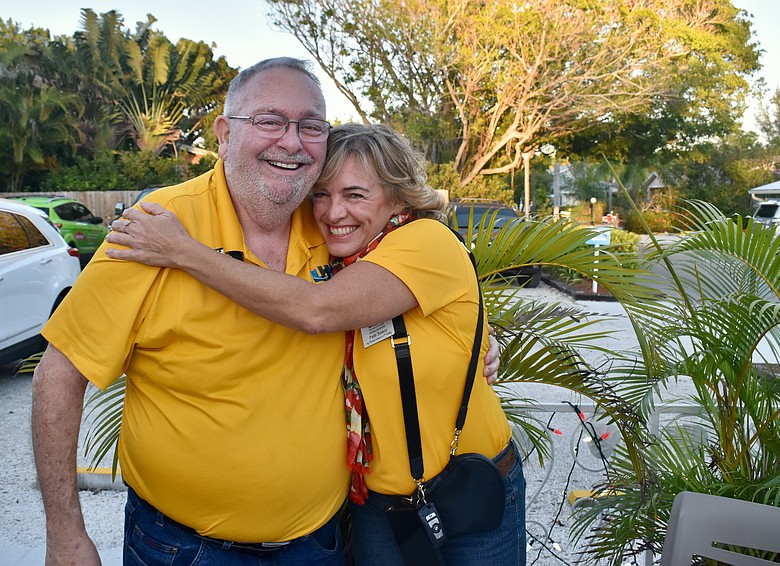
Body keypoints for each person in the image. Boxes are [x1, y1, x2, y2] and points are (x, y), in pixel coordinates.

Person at [31, 57, 500, 566]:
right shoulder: (154, 231)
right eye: (270, 121)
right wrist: (65, 534)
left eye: (310, 126)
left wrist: (483, 344)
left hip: (320, 543)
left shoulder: (333, 226)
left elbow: (386, 302)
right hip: (183, 548)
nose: (292, 142)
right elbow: (58, 375)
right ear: (225, 134)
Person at [106, 123, 526, 565]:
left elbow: (315, 310)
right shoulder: (338, 258)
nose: (332, 211)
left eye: (355, 195)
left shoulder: (425, 241)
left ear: (398, 197)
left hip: (466, 488)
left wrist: (183, 251)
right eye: (321, 195)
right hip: (379, 505)